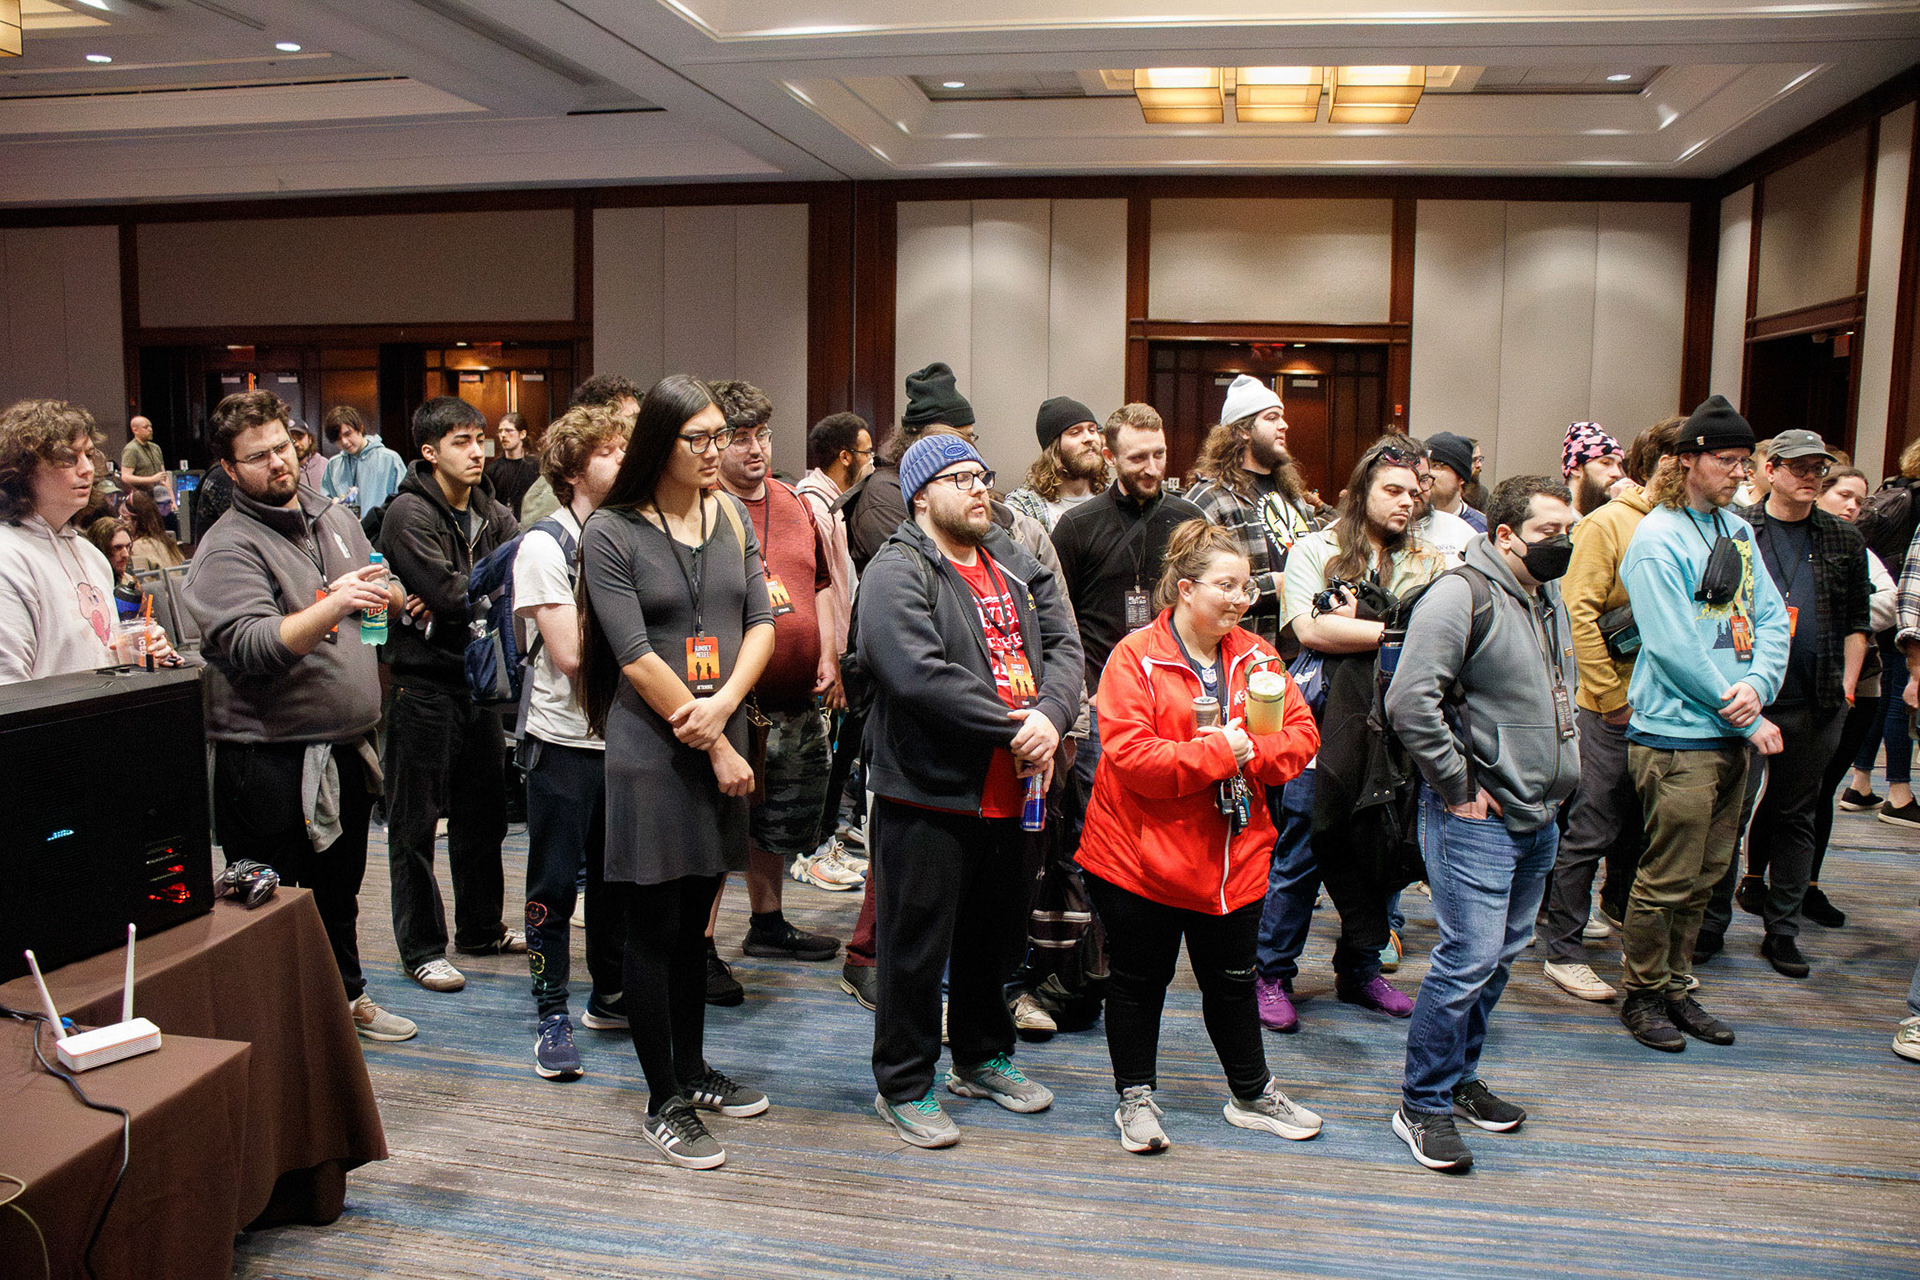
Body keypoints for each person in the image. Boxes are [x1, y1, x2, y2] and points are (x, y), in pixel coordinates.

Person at [860, 433, 1081, 1149]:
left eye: (981, 475)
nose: (979, 487)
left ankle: (982, 1057)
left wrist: (1051, 716)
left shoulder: (1010, 557)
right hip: (931, 790)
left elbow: (1065, 642)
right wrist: (1019, 727)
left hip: (1017, 788)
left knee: (995, 938)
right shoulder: (897, 569)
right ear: (922, 495)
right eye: (959, 479)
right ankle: (904, 1084)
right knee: (915, 949)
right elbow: (916, 673)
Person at [577, 374, 775, 1170]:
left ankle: (692, 1070)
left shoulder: (729, 514)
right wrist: (715, 739)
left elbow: (761, 621)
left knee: (697, 926)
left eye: (720, 436)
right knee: (655, 929)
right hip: (654, 751)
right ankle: (663, 1100)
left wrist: (724, 706)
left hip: (718, 729)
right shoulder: (612, 530)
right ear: (661, 443)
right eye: (700, 439)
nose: (716, 451)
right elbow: (631, 653)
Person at [1076, 518, 1322, 1154]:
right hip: (1138, 858)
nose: (1241, 600)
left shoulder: (1257, 655)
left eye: (1247, 588)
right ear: (1185, 589)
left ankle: (1252, 1093)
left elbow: (1301, 737)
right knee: (1138, 982)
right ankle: (1134, 1097)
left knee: (1233, 982)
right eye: (1226, 586)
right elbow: (1134, 759)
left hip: (1232, 858)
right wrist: (1220, 753)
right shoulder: (1135, 658)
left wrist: (1249, 754)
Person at [182, 389, 416, 1043]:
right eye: (258, 456)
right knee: (272, 908)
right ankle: (277, 1036)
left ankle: (346, 1001)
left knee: (338, 894)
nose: (278, 462)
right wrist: (332, 602)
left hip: (344, 746)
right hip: (268, 759)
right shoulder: (227, 548)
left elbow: (379, 580)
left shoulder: (331, 514)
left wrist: (388, 595)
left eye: (282, 447)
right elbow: (254, 646)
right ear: (230, 469)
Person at [1385, 475, 1581, 1172]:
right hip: (1478, 816)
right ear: (1505, 534)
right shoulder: (1459, 594)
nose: (1563, 543)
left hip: (1540, 810)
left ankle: (1458, 1078)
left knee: (1499, 957)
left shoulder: (1545, 593)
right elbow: (1410, 701)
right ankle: (1421, 1104)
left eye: (1568, 530)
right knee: (1467, 959)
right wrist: (1458, 784)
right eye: (1549, 532)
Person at [1615, 395, 1788, 1053]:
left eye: (1746, 462)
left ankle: (1676, 985)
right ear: (1687, 460)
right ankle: (1642, 992)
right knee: (1667, 876)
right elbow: (1670, 645)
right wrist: (1740, 709)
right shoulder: (1657, 538)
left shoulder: (1736, 531)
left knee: (1708, 874)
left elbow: (1769, 617)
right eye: (1729, 461)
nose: (1741, 473)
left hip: (1728, 730)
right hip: (1676, 737)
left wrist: (1758, 686)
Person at [1257, 439, 1445, 1029]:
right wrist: (1395, 630)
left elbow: (1442, 640)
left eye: (1414, 493)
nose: (1406, 502)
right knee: (1301, 855)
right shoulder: (1315, 549)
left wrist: (1358, 621)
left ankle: (1360, 970)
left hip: (1395, 731)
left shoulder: (1430, 562)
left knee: (1384, 856)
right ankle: (1271, 974)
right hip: (1320, 727)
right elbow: (1310, 631)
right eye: (1393, 490)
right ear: (1362, 491)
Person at [1699, 431, 1869, 979]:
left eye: (1818, 468)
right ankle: (1711, 924)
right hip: (1747, 699)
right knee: (1730, 815)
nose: (1811, 477)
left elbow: (1857, 622)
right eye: (1799, 467)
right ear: (1769, 471)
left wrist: (1846, 691)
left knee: (1797, 816)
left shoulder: (1843, 538)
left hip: (1817, 700)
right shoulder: (1737, 528)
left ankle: (1784, 930)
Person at [378, 396, 524, 993]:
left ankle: (481, 929)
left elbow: (517, 574)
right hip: (422, 685)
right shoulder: (408, 513)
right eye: (461, 441)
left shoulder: (491, 508)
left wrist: (457, 596)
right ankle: (421, 948)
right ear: (430, 451)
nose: (476, 451)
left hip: (478, 684)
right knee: (414, 826)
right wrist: (456, 596)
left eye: (478, 438)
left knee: (483, 818)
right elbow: (449, 593)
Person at [705, 380, 844, 979]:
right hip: (732, 704)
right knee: (722, 826)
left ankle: (767, 922)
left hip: (795, 700)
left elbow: (821, 587)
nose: (755, 448)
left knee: (779, 821)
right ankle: (699, 948)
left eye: (762, 435)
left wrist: (828, 655)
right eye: (739, 438)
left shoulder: (793, 501)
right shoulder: (703, 509)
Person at [1539, 417, 1680, 1002]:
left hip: (1674, 709)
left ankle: (1640, 943)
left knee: (1649, 832)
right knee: (1590, 828)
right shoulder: (1609, 524)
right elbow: (1579, 616)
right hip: (1612, 706)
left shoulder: (1697, 525)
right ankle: (1563, 948)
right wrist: (1609, 698)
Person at [514, 404, 630, 1082]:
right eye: (610, 451)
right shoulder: (546, 544)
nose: (624, 459)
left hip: (624, 741)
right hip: (563, 743)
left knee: (617, 883)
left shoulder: (628, 534)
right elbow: (571, 654)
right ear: (574, 470)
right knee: (554, 886)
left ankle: (609, 994)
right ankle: (550, 1011)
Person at [1049, 402, 1203, 772]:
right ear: (1110, 457)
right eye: (1137, 458)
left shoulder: (1190, 519)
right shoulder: (1077, 525)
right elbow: (1056, 619)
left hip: (1177, 696)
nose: (1152, 469)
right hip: (1103, 702)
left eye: (1159, 454)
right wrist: (1085, 691)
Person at [1801, 467, 1896, 929]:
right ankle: (1756, 878)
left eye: (1860, 499)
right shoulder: (1786, 539)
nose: (1853, 506)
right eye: (1844, 495)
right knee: (1784, 792)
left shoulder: (1860, 549)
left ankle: (1809, 885)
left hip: (1859, 684)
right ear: (1820, 494)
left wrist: (1823, 612)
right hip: (1794, 683)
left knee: (1824, 789)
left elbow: (1888, 603)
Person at [1185, 374, 1323, 648]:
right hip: (1245, 651)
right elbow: (1198, 586)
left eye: (1281, 417)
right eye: (1271, 418)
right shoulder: (1211, 497)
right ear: (1242, 431)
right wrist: (1278, 585)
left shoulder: (1292, 495)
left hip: (1303, 649)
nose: (1283, 425)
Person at [0, 399, 127, 682]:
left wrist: (140, 656)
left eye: (88, 455)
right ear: (23, 468)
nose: (87, 469)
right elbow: (8, 690)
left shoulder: (91, 554)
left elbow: (105, 658)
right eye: (69, 458)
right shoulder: (6, 558)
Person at [845, 362, 976, 572]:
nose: (968, 447)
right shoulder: (883, 494)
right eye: (960, 437)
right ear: (925, 439)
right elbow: (922, 570)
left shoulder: (964, 483)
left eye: (970, 437)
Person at [1006, 396, 1107, 533]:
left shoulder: (1113, 496)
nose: (1089, 438)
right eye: (1075, 432)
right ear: (1054, 448)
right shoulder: (1024, 507)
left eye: (1092, 430)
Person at [321, 406, 407, 517]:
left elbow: (404, 502)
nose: (344, 442)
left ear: (360, 427)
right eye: (338, 439)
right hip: (345, 526)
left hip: (380, 526)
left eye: (348, 434)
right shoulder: (333, 465)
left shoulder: (389, 459)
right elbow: (324, 502)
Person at [119, 414, 176, 533]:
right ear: (135, 430)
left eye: (150, 426)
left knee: (168, 528)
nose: (150, 429)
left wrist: (172, 499)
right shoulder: (131, 449)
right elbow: (125, 477)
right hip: (142, 500)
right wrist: (152, 479)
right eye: (146, 427)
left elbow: (163, 476)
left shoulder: (155, 448)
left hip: (159, 498)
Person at [1423, 432, 1486, 532]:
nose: (1428, 473)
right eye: (1426, 465)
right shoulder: (1409, 521)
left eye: (1436, 466)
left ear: (1460, 478)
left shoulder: (1480, 529)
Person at [1563, 422, 1627, 518]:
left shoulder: (1605, 516)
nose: (1618, 473)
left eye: (1619, 465)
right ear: (1576, 468)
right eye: (1606, 463)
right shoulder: (1553, 518)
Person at [486, 412, 540, 520]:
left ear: (522, 434)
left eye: (509, 430)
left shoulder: (537, 466)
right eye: (500, 431)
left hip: (532, 522)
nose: (503, 435)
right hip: (502, 524)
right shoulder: (493, 469)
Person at [87, 517, 143, 618]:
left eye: (128, 546)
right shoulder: (87, 585)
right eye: (117, 548)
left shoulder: (128, 580)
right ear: (100, 549)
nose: (125, 554)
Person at [124, 489, 184, 572]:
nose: (122, 523)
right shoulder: (167, 541)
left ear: (137, 520)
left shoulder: (138, 547)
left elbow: (142, 579)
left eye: (125, 518)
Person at [289, 421, 326, 491]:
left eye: (300, 438)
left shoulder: (325, 465)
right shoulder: (286, 472)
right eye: (292, 440)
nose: (296, 444)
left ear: (310, 439)